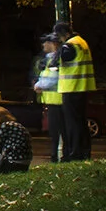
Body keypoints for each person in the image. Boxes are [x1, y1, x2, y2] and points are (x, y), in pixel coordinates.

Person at [52, 27, 97, 161]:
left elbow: (58, 61)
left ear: (64, 35)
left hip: (71, 88)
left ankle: (75, 153)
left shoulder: (69, 45)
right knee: (81, 122)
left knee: (72, 124)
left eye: (59, 37)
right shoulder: (81, 42)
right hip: (82, 87)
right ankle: (84, 152)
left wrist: (57, 51)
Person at [32, 28, 65, 163]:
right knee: (54, 131)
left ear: (53, 43)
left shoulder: (55, 59)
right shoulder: (49, 59)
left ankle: (57, 156)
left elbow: (53, 78)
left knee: (57, 131)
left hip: (58, 101)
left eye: (46, 42)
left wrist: (39, 86)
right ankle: (56, 155)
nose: (43, 45)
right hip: (53, 101)